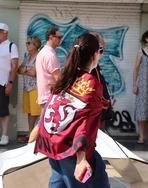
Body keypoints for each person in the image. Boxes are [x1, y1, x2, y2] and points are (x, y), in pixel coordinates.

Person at [34, 32, 110, 187]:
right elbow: (85, 122)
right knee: (97, 177)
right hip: (71, 148)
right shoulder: (90, 82)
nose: (101, 55)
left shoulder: (67, 75)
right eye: (100, 51)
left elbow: (53, 104)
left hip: (52, 142)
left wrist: (37, 128)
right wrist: (81, 158)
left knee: (59, 178)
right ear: (94, 54)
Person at [28, 26, 61, 143]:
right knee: (40, 124)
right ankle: (29, 147)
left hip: (45, 95)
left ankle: (41, 147)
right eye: (58, 37)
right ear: (51, 38)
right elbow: (58, 78)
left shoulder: (42, 53)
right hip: (50, 96)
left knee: (45, 124)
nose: (60, 39)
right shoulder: (50, 55)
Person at [17, 36, 41, 142]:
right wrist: (27, 70)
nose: (27, 45)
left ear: (35, 45)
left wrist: (25, 70)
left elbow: (34, 72)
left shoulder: (38, 56)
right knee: (30, 112)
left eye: (29, 43)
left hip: (35, 88)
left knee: (36, 112)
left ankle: (36, 136)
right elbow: (19, 69)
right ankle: (30, 134)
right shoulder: (28, 57)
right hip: (27, 88)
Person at [90, 32, 111, 131]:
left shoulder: (95, 65)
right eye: (101, 49)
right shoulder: (90, 66)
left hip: (100, 107)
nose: (102, 52)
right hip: (95, 109)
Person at [133, 30, 148, 144]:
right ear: (146, 39)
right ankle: (142, 136)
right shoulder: (141, 52)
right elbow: (136, 69)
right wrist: (134, 84)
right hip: (143, 84)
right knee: (141, 110)